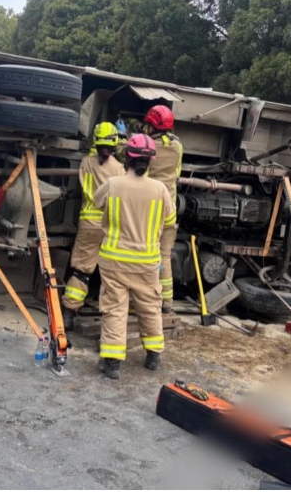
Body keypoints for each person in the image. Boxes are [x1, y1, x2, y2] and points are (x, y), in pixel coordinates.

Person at [93, 133, 175, 380]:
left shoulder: (113, 184)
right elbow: (170, 221)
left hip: (114, 261)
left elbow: (97, 203)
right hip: (147, 263)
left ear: (127, 157)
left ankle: (113, 363)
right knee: (150, 308)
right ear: (150, 161)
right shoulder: (160, 189)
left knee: (115, 309)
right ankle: (153, 356)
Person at [119, 105, 184, 328]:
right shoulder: (177, 147)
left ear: (151, 125)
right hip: (169, 210)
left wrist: (125, 136)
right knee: (163, 256)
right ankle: (166, 302)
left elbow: (125, 153)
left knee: (137, 253)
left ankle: (134, 301)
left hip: (149, 210)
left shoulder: (148, 147)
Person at [61, 122, 126, 330]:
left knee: (81, 269)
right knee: (112, 273)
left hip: (88, 223)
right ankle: (109, 317)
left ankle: (69, 314)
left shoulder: (86, 162)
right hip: (110, 225)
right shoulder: (119, 169)